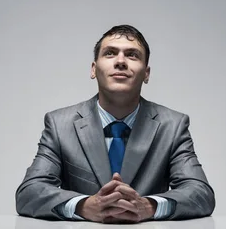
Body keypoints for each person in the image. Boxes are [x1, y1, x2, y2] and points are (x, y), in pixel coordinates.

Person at [15, 25, 215, 223]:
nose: (120, 61)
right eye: (110, 53)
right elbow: (29, 192)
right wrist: (83, 206)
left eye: (132, 55)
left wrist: (149, 207)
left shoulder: (172, 126)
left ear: (146, 73)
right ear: (94, 69)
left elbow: (200, 193)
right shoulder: (60, 124)